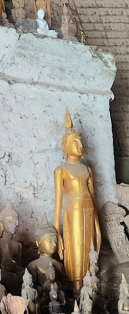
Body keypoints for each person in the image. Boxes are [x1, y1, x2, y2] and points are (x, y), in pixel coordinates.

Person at [54, 109, 101, 291]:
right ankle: (76, 282)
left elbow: (93, 196)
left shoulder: (87, 169)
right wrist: (57, 231)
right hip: (72, 210)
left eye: (80, 141)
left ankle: (90, 277)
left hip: (88, 208)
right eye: (75, 142)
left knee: (89, 244)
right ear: (66, 146)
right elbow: (58, 203)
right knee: (76, 245)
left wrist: (97, 226)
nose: (80, 145)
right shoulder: (61, 170)